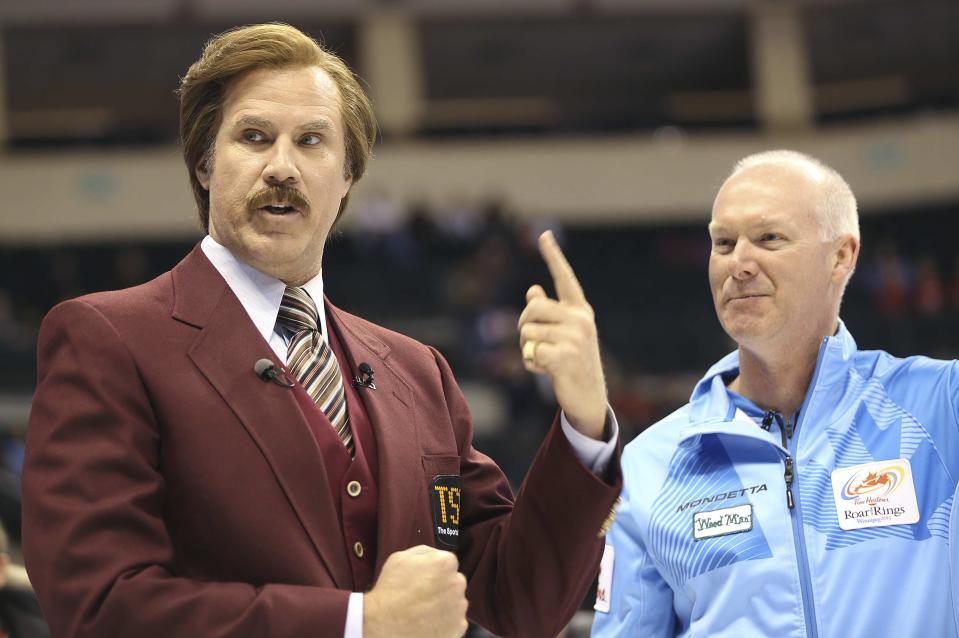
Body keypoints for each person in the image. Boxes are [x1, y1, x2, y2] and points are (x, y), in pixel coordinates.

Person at [21, 23, 622, 638]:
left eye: (312, 141)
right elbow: (98, 606)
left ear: (347, 180)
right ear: (205, 165)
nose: (281, 166)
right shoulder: (106, 340)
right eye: (254, 137)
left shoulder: (419, 373)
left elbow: (517, 600)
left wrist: (582, 424)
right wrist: (359, 623)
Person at [591, 150, 959, 637]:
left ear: (841, 256)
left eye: (769, 238)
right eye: (723, 243)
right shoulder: (649, 466)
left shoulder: (940, 405)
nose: (739, 263)